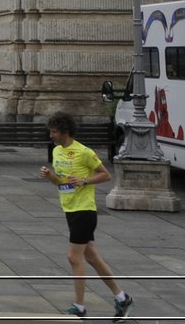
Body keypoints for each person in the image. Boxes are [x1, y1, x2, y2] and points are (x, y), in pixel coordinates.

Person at [40, 112, 133, 320]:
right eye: (51, 131)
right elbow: (61, 183)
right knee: (91, 257)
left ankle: (79, 307)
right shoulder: (56, 152)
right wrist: (50, 177)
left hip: (84, 210)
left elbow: (106, 174)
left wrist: (84, 181)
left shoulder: (84, 152)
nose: (51, 135)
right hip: (70, 210)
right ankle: (122, 297)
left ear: (66, 132)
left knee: (73, 257)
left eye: (54, 131)